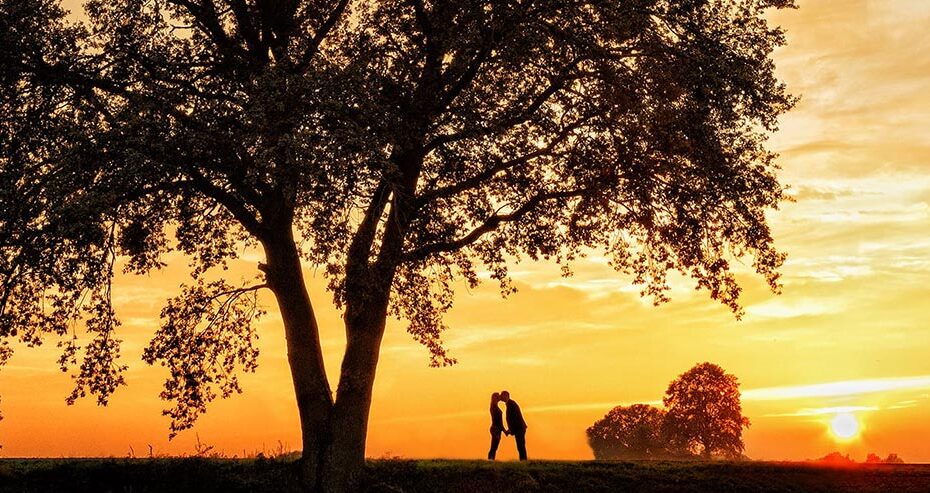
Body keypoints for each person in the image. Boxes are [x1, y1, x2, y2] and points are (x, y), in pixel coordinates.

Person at [500, 390, 528, 460]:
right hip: (518, 428)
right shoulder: (510, 404)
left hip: (519, 428)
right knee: (520, 445)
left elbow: (514, 418)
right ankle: (523, 460)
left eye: (502, 396)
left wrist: (510, 430)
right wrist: (510, 429)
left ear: (506, 396)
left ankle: (523, 460)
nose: (501, 398)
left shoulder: (511, 404)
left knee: (520, 445)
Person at [487, 392, 505, 460]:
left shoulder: (494, 406)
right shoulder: (494, 407)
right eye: (498, 396)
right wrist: (504, 430)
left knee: (494, 447)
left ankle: (491, 460)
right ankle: (490, 460)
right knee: (493, 447)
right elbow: (499, 421)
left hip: (497, 428)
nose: (499, 397)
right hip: (496, 428)